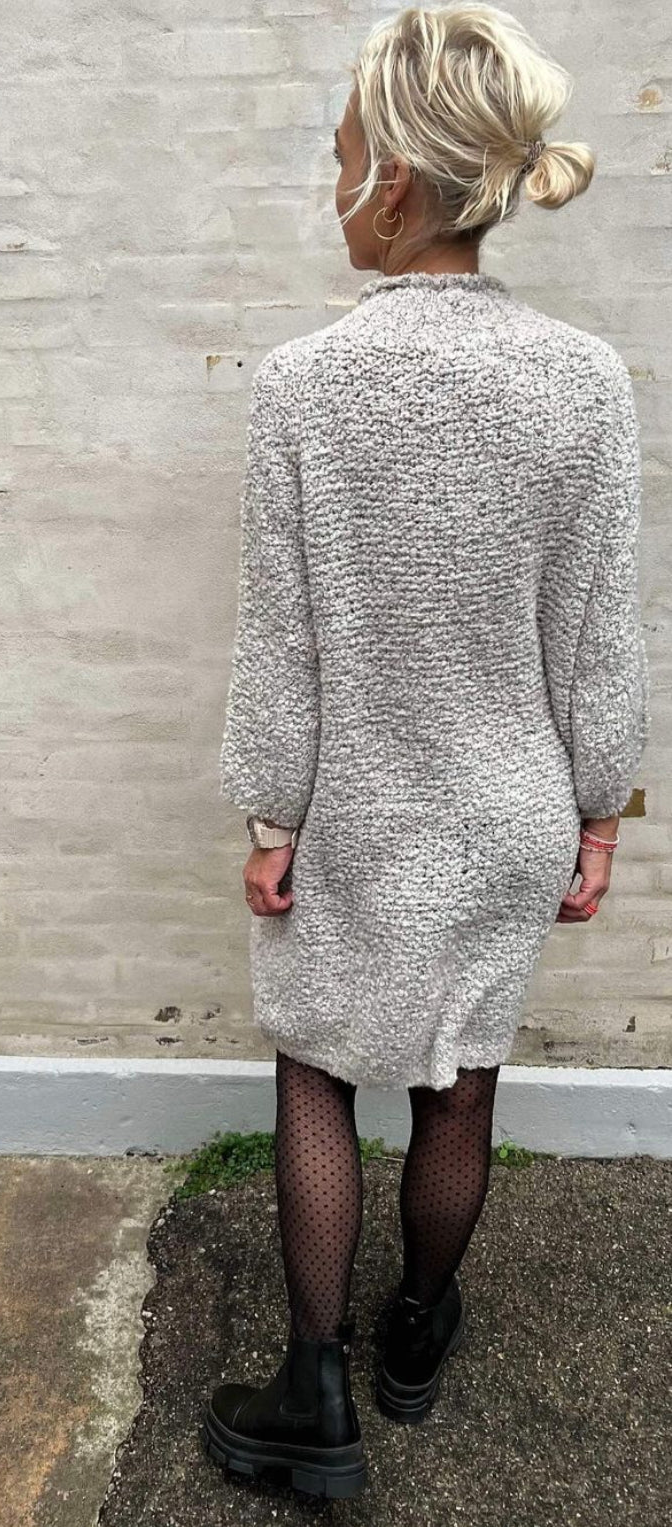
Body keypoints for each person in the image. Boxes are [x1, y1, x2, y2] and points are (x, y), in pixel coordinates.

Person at [199, 2, 650, 1503]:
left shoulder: (302, 385)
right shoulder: (583, 380)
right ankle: (415, 1335)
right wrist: (598, 812)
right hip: (511, 809)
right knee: (460, 1085)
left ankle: (314, 1392)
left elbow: (283, 638)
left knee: (317, 1073)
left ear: (391, 180)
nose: (330, 187)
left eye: (340, 159)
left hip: (360, 811)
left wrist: (272, 815)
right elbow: (599, 631)